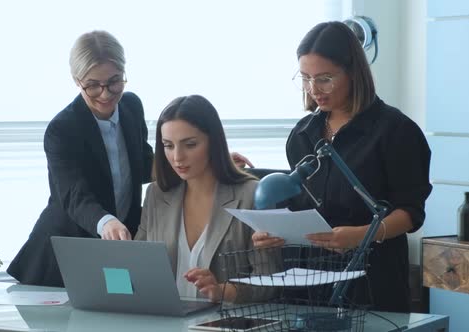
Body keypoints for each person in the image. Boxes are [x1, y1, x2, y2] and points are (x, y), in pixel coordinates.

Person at [252, 21, 432, 313]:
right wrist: (270, 233)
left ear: (352, 73)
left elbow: (411, 213)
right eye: (306, 78)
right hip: (306, 286)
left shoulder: (395, 131)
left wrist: (361, 235)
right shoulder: (301, 135)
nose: (313, 90)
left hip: (372, 285)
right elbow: (293, 207)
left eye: (324, 79)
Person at [7, 30, 153, 287]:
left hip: (116, 250)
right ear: (77, 80)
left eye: (114, 81)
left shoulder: (132, 106)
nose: (105, 94)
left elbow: (143, 166)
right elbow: (74, 194)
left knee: (117, 318)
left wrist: (206, 161)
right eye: (93, 85)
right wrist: (106, 222)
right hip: (64, 252)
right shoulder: (62, 129)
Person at [135, 95, 274, 303]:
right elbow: (136, 265)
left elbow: (270, 282)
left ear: (213, 141)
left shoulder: (251, 196)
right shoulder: (156, 195)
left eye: (190, 145)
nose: (177, 157)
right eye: (168, 145)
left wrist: (221, 291)